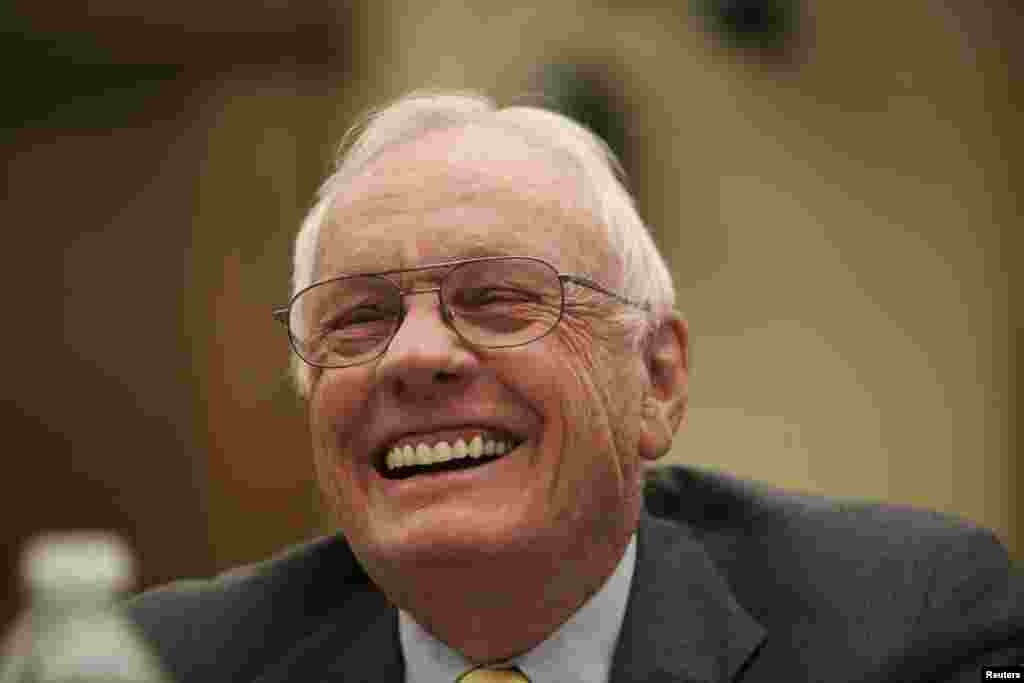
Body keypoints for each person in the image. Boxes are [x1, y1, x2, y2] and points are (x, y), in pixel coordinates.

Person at [126, 91, 1023, 682]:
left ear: (655, 380)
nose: (413, 355)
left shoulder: (908, 627)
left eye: (497, 299)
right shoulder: (160, 666)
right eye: (360, 317)